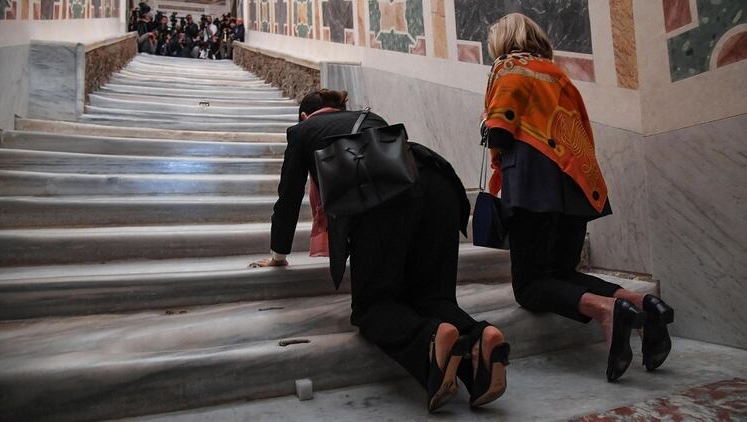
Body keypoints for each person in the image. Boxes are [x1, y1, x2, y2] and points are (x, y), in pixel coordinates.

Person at [253, 90, 511, 412]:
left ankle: (431, 339)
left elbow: (288, 199)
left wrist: (278, 255)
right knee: (432, 299)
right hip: (438, 181)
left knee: (372, 307)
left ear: (305, 116)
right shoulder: (369, 118)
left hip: (388, 196)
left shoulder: (303, 132)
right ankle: (479, 341)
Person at [480, 13, 674, 382]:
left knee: (530, 286)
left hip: (533, 185)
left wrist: (489, 131)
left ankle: (605, 311)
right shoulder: (558, 74)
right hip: (576, 185)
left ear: (503, 41)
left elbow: (501, 128)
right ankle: (642, 303)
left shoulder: (509, 68)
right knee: (563, 273)